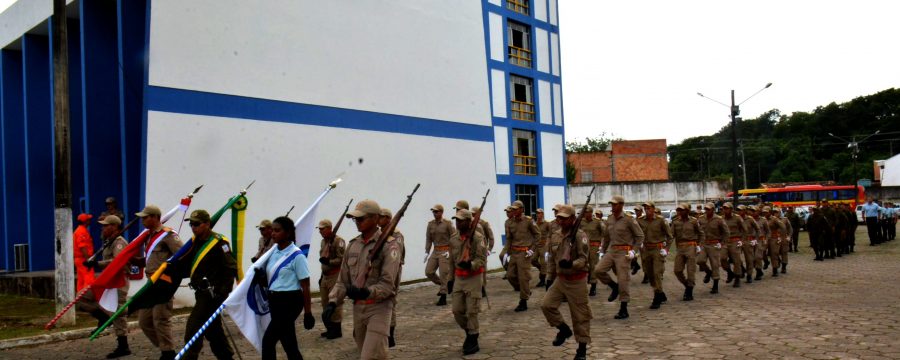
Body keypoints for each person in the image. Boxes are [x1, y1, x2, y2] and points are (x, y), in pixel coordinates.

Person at [325, 199, 401, 360]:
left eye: (361, 219)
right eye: (355, 219)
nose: (357, 222)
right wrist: (332, 302)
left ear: (375, 219)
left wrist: (366, 292)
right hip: (358, 309)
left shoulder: (390, 246)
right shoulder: (353, 245)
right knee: (368, 355)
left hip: (379, 308)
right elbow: (342, 280)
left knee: (369, 357)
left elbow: (388, 285)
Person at [178, 210, 237, 360]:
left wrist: (223, 292)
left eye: (196, 224)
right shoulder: (195, 242)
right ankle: (226, 357)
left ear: (207, 224)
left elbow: (230, 268)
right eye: (191, 224)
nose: (193, 227)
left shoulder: (219, 242)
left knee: (193, 328)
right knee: (213, 330)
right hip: (200, 293)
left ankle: (189, 357)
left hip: (212, 295)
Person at [76, 215, 132, 358]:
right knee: (81, 298)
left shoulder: (119, 242)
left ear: (114, 226)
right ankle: (102, 317)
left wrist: (97, 264)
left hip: (118, 280)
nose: (103, 228)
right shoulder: (108, 242)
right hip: (107, 280)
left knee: (118, 312)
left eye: (106, 225)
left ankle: (123, 345)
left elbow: (117, 262)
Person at [260, 216, 315, 360]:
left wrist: (308, 313)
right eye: (272, 230)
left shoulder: (297, 256)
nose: (273, 233)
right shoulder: (272, 253)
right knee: (289, 343)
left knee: (268, 342)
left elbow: (306, 285)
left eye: (277, 231)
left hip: (290, 302)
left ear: (288, 233)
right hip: (275, 301)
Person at [541, 205, 591, 360]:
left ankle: (581, 350)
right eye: (559, 217)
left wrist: (571, 264)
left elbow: (584, 259)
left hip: (577, 281)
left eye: (564, 218)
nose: (560, 220)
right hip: (560, 280)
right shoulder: (555, 235)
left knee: (580, 317)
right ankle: (563, 329)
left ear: (572, 219)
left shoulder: (580, 236)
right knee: (546, 305)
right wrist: (549, 278)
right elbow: (552, 259)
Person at [132, 205, 182, 360]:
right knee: (144, 321)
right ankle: (165, 349)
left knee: (160, 319)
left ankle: (168, 353)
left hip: (163, 284)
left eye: (145, 217)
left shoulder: (168, 235)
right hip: (150, 283)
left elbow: (181, 256)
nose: (142, 220)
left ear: (154, 217)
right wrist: (133, 260)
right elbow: (149, 261)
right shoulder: (148, 237)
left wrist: (170, 275)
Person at [594, 196, 644, 319]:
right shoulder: (610, 219)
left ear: (621, 205)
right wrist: (602, 251)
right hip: (611, 250)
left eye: (615, 204)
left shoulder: (629, 220)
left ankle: (623, 308)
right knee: (598, 270)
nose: (613, 206)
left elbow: (640, 236)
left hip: (624, 252)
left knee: (623, 279)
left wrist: (634, 251)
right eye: (611, 204)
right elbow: (606, 237)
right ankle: (613, 286)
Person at [449, 209, 487, 355]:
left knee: (472, 310)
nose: (457, 223)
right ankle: (469, 331)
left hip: (473, 277)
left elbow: (481, 259)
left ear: (469, 222)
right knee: (457, 310)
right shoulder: (453, 238)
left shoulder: (478, 238)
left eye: (460, 220)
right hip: (459, 277)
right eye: (456, 220)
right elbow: (452, 261)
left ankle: (473, 336)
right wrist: (450, 280)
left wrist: (471, 265)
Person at [502, 200, 541, 312]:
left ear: (522, 209)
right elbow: (509, 239)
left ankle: (523, 301)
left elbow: (537, 235)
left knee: (523, 278)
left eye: (516, 209)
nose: (513, 211)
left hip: (525, 253)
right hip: (514, 252)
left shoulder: (528, 221)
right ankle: (526, 290)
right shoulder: (510, 222)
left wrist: (532, 250)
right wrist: (506, 252)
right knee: (510, 275)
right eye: (512, 209)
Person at [378, 208, 405, 348]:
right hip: (380, 269)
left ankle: (391, 333)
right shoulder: (378, 233)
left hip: (393, 269)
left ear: (388, 218)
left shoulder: (397, 235)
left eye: (381, 217)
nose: (378, 220)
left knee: (390, 299)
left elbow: (396, 254)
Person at [637, 202, 673, 309]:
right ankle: (661, 293)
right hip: (646, 249)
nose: (647, 210)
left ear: (653, 209)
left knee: (657, 273)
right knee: (650, 274)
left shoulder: (660, 220)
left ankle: (656, 297)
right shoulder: (640, 221)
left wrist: (666, 250)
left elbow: (670, 237)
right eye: (645, 208)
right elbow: (636, 235)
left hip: (658, 249)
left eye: (649, 208)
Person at [317, 219, 346, 340]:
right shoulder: (323, 242)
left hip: (335, 275)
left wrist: (329, 262)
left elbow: (342, 259)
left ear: (330, 228)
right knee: (325, 303)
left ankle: (336, 329)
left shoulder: (338, 241)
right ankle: (329, 328)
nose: (320, 231)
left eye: (322, 229)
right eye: (319, 229)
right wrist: (321, 275)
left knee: (335, 302)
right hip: (325, 275)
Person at [425, 204, 457, 306]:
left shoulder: (447, 223)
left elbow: (454, 237)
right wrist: (426, 251)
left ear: (441, 212)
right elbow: (428, 239)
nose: (434, 213)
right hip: (436, 250)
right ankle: (444, 286)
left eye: (436, 211)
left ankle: (443, 297)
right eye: (433, 212)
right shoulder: (430, 224)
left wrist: (450, 250)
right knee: (429, 271)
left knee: (444, 273)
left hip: (445, 250)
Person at [671, 203, 704, 301]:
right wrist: (665, 246)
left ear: (687, 211)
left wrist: (699, 245)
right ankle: (687, 285)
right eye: (679, 210)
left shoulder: (694, 221)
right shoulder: (675, 222)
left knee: (690, 270)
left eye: (682, 210)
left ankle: (689, 290)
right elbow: (671, 235)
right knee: (677, 270)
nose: (680, 212)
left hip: (691, 246)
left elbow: (701, 234)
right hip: (680, 247)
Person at [697, 202, 729, 294]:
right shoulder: (701, 219)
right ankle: (708, 272)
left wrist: (722, 243)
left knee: (715, 264)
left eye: (708, 209)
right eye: (706, 209)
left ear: (713, 210)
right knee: (700, 261)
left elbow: (726, 232)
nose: (707, 211)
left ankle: (715, 285)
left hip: (714, 244)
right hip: (704, 243)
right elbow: (697, 231)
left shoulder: (718, 219)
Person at [578, 206, 603, 297]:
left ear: (591, 213)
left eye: (588, 212)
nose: (586, 214)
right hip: (583, 246)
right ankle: (581, 285)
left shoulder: (597, 222)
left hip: (594, 246)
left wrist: (602, 246)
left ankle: (593, 286)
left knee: (593, 266)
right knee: (582, 265)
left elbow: (604, 233)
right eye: (585, 212)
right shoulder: (581, 222)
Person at [719, 203, 744, 288]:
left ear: (731, 209)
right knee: (722, 258)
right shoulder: (721, 218)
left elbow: (745, 229)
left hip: (735, 240)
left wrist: (742, 240)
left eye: (727, 208)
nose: (725, 210)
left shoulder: (737, 218)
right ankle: (729, 272)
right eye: (724, 208)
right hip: (725, 241)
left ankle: (737, 277)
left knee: (736, 260)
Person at [74, 213, 96, 291]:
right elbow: (82, 246)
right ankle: (87, 296)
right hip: (83, 259)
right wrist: (88, 260)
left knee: (81, 280)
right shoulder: (81, 231)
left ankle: (80, 298)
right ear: (85, 221)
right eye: (88, 219)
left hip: (80, 259)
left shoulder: (80, 230)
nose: (90, 220)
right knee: (89, 279)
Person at [763, 207, 784, 278]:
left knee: (773, 253)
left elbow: (783, 227)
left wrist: (780, 235)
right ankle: (766, 261)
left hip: (773, 238)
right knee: (762, 251)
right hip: (765, 238)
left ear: (770, 212)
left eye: (766, 212)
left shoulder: (774, 219)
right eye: (764, 212)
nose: (765, 213)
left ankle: (775, 269)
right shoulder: (763, 219)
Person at [533, 209, 551, 288]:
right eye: (537, 213)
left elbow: (550, 233)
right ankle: (542, 269)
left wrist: (548, 242)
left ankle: (542, 280)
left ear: (542, 214)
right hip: (536, 245)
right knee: (532, 260)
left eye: (539, 213)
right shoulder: (534, 223)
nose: (538, 215)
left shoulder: (547, 223)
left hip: (544, 245)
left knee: (544, 262)